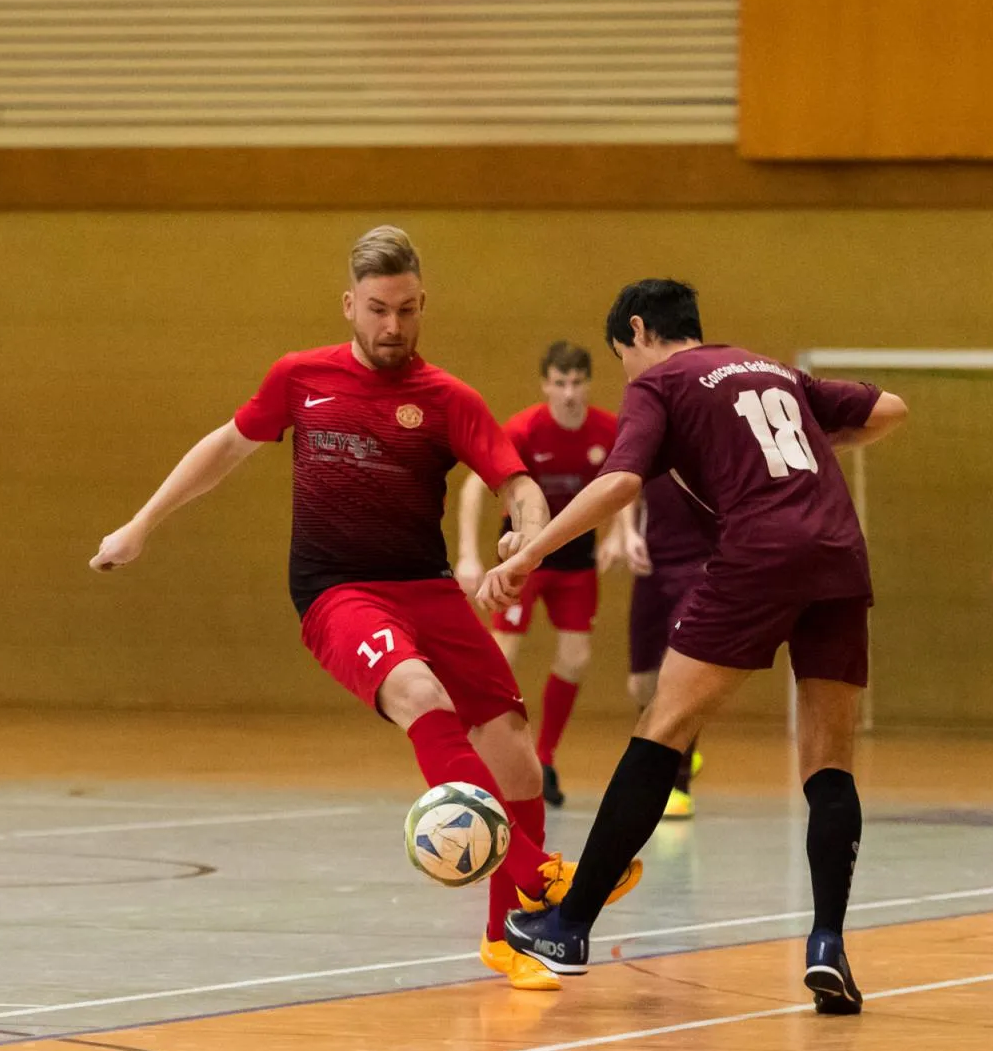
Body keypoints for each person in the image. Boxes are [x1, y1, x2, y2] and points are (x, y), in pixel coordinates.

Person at [91, 227, 639, 994]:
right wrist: (142, 523)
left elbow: (517, 484)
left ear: (423, 304)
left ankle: (506, 936)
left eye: (407, 309)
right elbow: (225, 447)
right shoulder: (301, 377)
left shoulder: (448, 398)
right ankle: (539, 873)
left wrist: (526, 535)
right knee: (420, 692)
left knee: (513, 750)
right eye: (378, 309)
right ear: (350, 304)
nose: (392, 325)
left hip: (427, 586)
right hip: (338, 590)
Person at [490, 279, 907, 1015]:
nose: (625, 372)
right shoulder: (771, 368)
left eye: (621, 355)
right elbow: (888, 409)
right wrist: (816, 445)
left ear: (639, 331)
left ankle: (569, 926)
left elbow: (619, 481)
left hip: (760, 554)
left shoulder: (661, 383)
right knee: (828, 761)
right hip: (840, 555)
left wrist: (531, 553)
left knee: (663, 728)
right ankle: (827, 945)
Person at [456, 342, 621, 809]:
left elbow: (625, 483)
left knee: (576, 657)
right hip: (523, 556)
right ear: (546, 385)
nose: (569, 393)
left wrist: (621, 532)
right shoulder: (525, 429)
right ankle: (481, 758)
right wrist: (467, 555)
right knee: (501, 657)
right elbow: (474, 487)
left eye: (577, 383)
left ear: (588, 384)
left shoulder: (607, 430)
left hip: (576, 560)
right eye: (560, 383)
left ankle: (544, 758)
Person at [617, 473, 717, 818]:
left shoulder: (716, 446)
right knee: (642, 684)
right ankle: (679, 746)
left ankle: (678, 782)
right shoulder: (649, 442)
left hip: (701, 567)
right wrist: (628, 533)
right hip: (652, 568)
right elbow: (626, 483)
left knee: (681, 672)